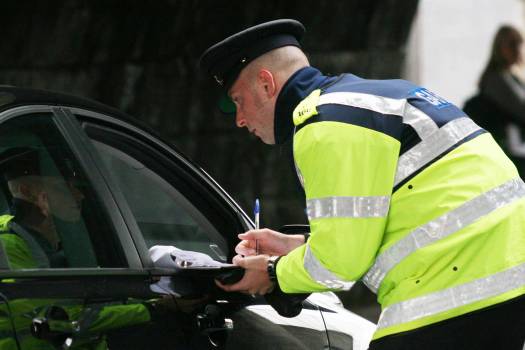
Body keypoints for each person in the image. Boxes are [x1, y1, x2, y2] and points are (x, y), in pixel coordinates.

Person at [199, 19, 525, 349]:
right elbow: (405, 209)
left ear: (267, 85)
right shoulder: (373, 98)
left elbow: (338, 264)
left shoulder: (324, 125)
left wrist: (271, 273)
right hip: (505, 278)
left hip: (454, 291)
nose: (239, 120)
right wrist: (300, 246)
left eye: (237, 101)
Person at [0, 147, 151, 349]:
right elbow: (57, 318)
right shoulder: (7, 245)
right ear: (29, 193)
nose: (80, 195)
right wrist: (150, 309)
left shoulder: (62, 244)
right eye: (65, 186)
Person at [465, 25, 525, 176]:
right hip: (510, 149)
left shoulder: (510, 77)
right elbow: (518, 111)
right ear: (502, 48)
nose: (518, 51)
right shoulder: (495, 79)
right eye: (513, 45)